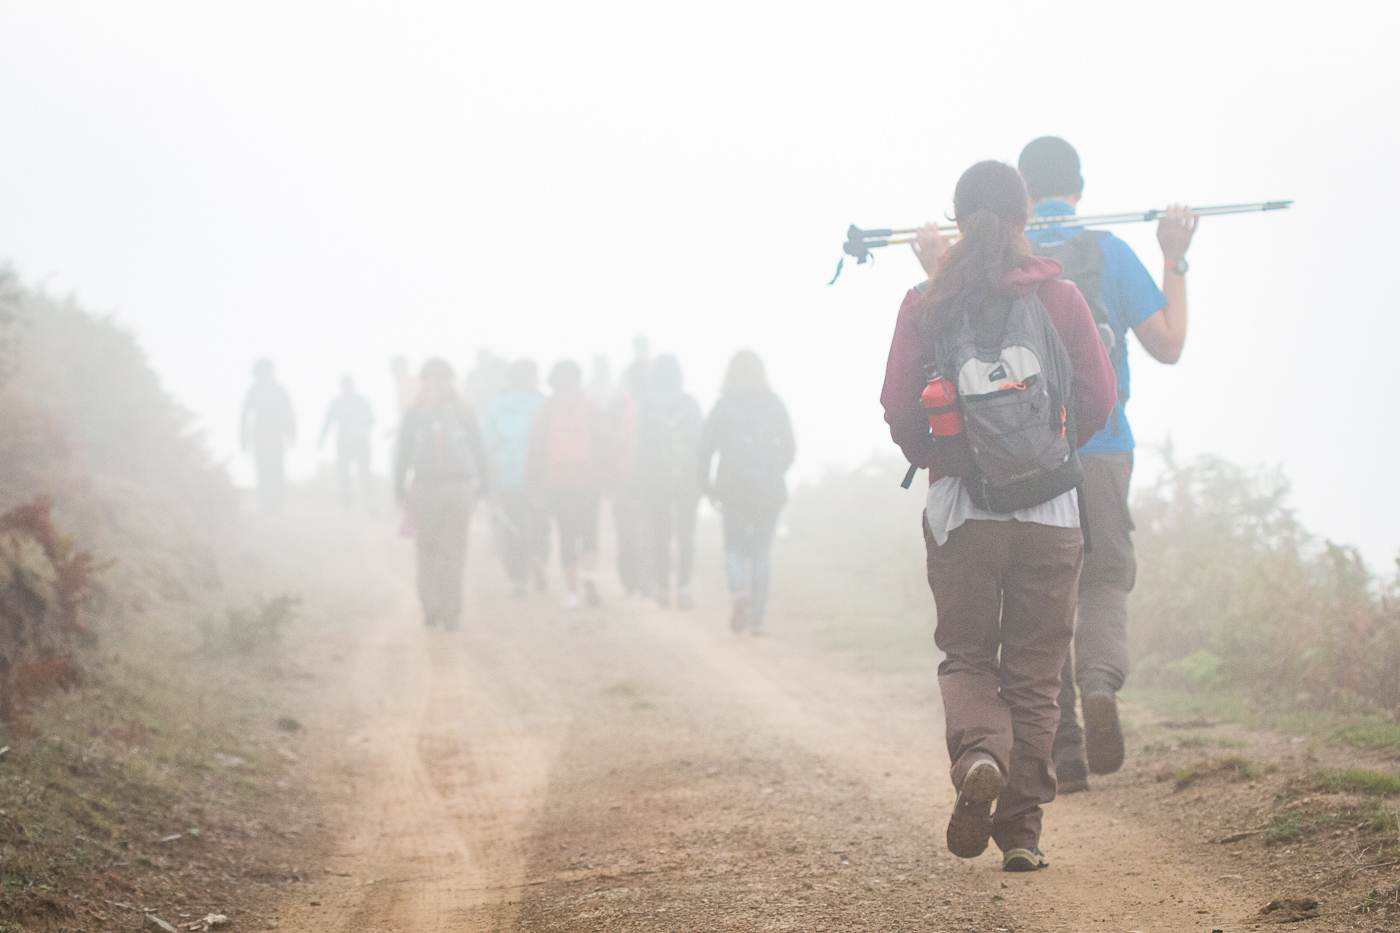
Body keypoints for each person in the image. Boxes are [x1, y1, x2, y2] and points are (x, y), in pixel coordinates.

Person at [882, 160, 1116, 871]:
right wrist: (1046, 452)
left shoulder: (926, 301)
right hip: (1051, 512)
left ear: (957, 220)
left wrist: (942, 457)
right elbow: (1100, 399)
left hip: (962, 513)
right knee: (1037, 673)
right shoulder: (1061, 296)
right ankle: (1021, 832)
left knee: (968, 655)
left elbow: (898, 406)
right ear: (1022, 220)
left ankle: (981, 753)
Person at [1017, 136, 1199, 793]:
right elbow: (1169, 345)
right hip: (1104, 445)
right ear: (1080, 189)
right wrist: (1173, 258)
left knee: (1044, 595)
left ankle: (1065, 755)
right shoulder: (1111, 252)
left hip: (1026, 453)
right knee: (1103, 577)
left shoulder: (1011, 257)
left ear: (1023, 190)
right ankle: (1100, 682)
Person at [698, 351, 795, 636]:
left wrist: (707, 488)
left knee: (734, 547)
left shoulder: (723, 406)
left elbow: (705, 451)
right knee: (761, 551)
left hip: (732, 489)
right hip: (769, 490)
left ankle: (739, 591)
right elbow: (790, 447)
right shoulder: (775, 405)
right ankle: (758, 618)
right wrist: (774, 470)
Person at [394, 358, 490, 630]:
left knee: (427, 549)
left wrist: (399, 489)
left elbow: (403, 454)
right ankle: (452, 614)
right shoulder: (462, 411)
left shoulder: (414, 412)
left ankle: (431, 607)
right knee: (454, 553)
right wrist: (483, 486)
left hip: (425, 488)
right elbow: (479, 450)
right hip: (459, 489)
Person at [526, 360, 611, 609]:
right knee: (590, 531)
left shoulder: (547, 409)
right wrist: (609, 480)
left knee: (566, 535)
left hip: (557, 482)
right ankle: (590, 576)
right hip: (589, 480)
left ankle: (572, 593)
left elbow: (535, 449)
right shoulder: (591, 407)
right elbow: (606, 445)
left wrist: (533, 485)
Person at [634, 354, 703, 609]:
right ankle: (684, 589)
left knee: (660, 533)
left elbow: (639, 445)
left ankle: (662, 588)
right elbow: (700, 442)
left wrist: (635, 479)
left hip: (655, 478)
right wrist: (704, 478)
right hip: (688, 477)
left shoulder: (646, 404)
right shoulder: (690, 403)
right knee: (686, 534)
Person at [482, 359, 549, 596]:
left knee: (513, 526)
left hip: (507, 474)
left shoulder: (496, 407)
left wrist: (485, 480)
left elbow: (486, 446)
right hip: (541, 474)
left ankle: (518, 578)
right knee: (540, 520)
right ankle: (539, 556)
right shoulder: (543, 404)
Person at [607, 359, 648, 596]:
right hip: (653, 479)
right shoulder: (659, 406)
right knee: (651, 529)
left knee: (626, 532)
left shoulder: (619, 406)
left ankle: (629, 580)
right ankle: (647, 580)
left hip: (623, 477)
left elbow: (607, 444)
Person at [240, 358, 296, 512]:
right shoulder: (263, 390)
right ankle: (269, 504)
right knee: (267, 469)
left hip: (272, 435)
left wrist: (292, 434)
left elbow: (289, 413)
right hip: (265, 436)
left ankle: (274, 504)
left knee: (272, 469)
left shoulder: (272, 390)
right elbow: (245, 416)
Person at [319, 376, 375, 513]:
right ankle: (346, 504)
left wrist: (360, 427)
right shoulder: (337, 402)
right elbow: (328, 421)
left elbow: (372, 419)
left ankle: (368, 502)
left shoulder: (361, 401)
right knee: (344, 472)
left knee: (364, 472)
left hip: (360, 440)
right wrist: (321, 440)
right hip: (344, 441)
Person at [463, 348, 509, 413]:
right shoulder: (474, 375)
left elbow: (467, 394)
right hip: (482, 410)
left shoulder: (474, 375)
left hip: (483, 410)